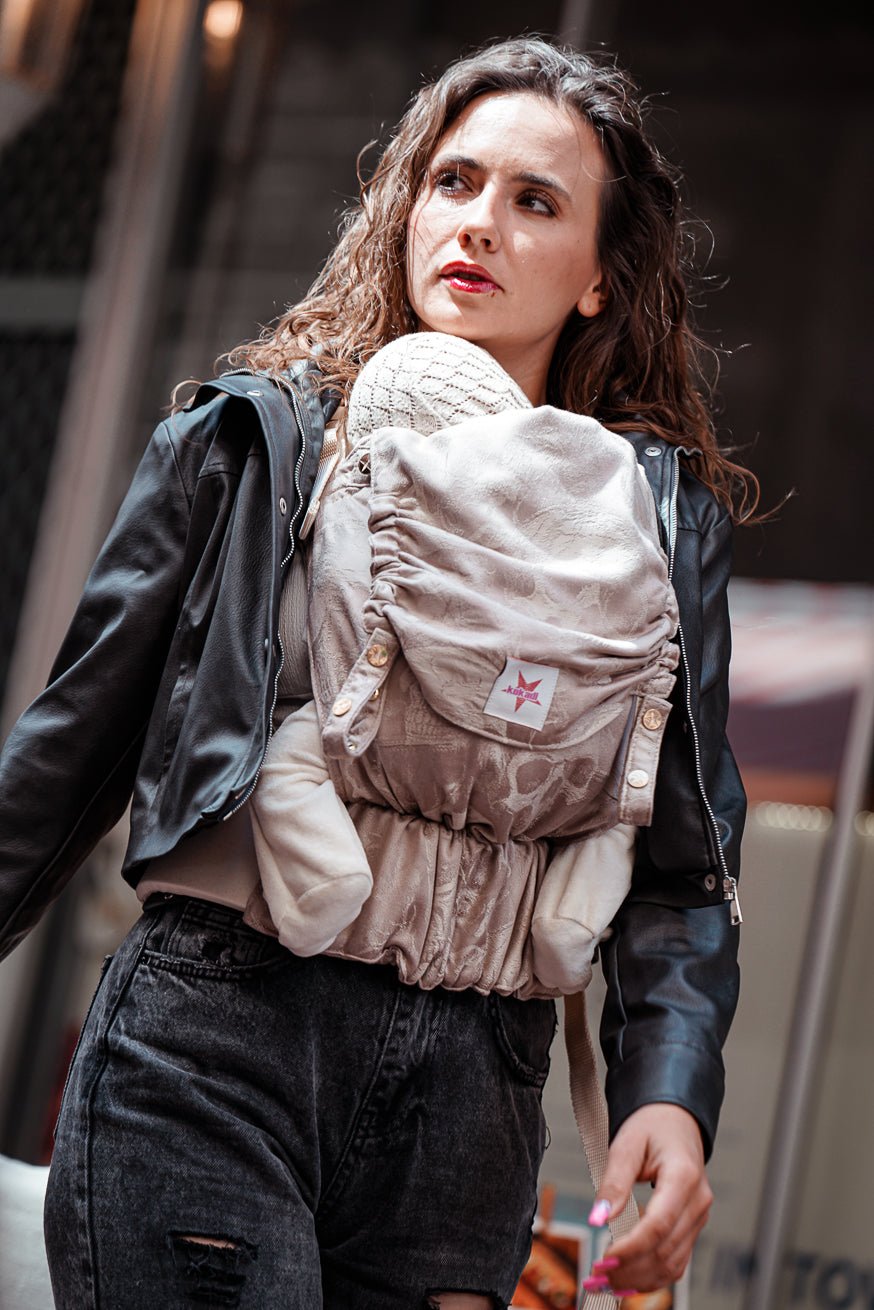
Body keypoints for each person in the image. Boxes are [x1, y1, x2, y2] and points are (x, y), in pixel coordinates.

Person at [0, 35, 753, 1308]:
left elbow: (683, 859)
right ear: (404, 208)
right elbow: (66, 756)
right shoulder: (256, 440)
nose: (478, 223)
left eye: (536, 201)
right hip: (217, 1042)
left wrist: (669, 1095)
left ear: (598, 279)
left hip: (471, 1107)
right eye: (452, 182)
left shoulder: (656, 522)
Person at [250, 328, 676, 996]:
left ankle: (326, 881)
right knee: (611, 817)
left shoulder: (375, 482)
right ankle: (569, 922)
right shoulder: (613, 495)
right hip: (567, 750)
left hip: (394, 722)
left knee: (294, 759)